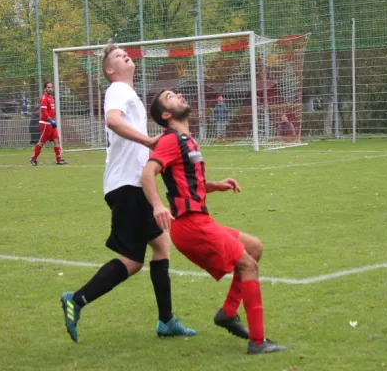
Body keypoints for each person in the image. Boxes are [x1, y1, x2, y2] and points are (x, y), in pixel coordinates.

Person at [59, 44, 195, 343]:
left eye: (125, 53)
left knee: (161, 246)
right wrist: (149, 141)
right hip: (126, 186)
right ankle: (76, 299)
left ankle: (166, 321)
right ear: (110, 70)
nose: (125, 56)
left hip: (132, 184)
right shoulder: (117, 89)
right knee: (132, 260)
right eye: (118, 56)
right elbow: (112, 120)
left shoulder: (128, 93)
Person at [140, 89, 288, 355]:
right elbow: (147, 174)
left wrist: (216, 185)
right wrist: (158, 206)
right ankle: (257, 342)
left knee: (254, 248)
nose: (180, 95)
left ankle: (228, 314)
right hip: (191, 226)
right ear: (166, 114)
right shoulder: (170, 140)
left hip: (200, 220)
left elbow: (188, 182)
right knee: (249, 265)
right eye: (171, 96)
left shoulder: (186, 140)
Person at [30, 82, 67, 165]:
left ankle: (58, 160)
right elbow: (43, 111)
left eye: (51, 87)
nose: (50, 89)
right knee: (42, 142)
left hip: (51, 124)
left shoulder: (51, 97)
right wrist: (50, 120)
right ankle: (33, 159)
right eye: (48, 87)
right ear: (45, 88)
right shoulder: (44, 98)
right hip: (45, 124)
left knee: (56, 140)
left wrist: (52, 120)